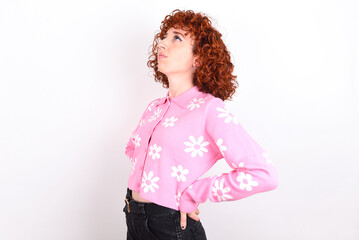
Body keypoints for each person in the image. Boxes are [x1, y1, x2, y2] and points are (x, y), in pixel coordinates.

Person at [123, 9, 279, 240]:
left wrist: (193, 193)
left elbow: (264, 174)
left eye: (177, 38)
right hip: (133, 217)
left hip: (169, 225)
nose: (162, 44)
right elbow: (134, 152)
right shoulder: (154, 107)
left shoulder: (209, 109)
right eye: (163, 37)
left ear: (199, 58)